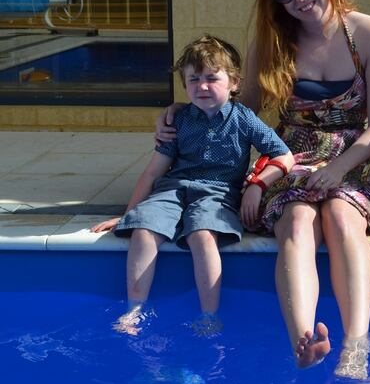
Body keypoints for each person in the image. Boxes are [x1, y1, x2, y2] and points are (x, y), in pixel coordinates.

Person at [157, 0, 370, 379]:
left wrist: (337, 170)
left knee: (341, 216)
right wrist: (185, 112)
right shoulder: (274, 41)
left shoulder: (369, 33)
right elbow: (243, 107)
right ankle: (304, 340)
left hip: (353, 154)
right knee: (296, 222)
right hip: (292, 152)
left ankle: (356, 345)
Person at [92, 35, 294, 338]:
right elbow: (152, 173)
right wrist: (129, 214)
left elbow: (284, 154)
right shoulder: (180, 120)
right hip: (173, 189)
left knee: (202, 234)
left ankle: (208, 314)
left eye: (212, 78)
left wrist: (257, 185)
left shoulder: (244, 120)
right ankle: (134, 309)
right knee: (144, 230)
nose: (202, 86)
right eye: (193, 80)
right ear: (184, 85)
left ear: (234, 82)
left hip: (219, 193)